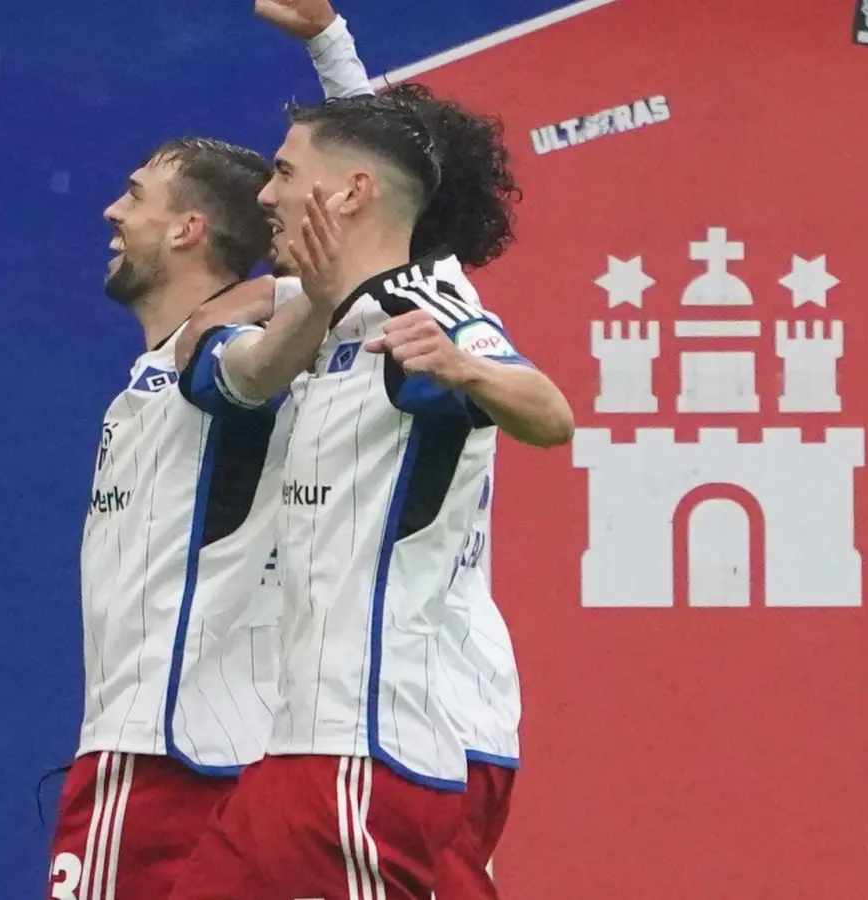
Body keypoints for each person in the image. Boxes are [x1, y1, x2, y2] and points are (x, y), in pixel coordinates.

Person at [168, 84, 570, 900]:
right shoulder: (337, 326)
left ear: (351, 194)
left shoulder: (425, 310)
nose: (266, 193)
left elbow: (551, 414)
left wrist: (468, 369)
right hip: (307, 743)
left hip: (368, 746)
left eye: (284, 172)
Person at [46, 136, 288, 900]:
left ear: (189, 230)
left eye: (137, 195)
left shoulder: (234, 355)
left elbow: (354, 287)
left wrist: (275, 290)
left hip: (158, 760)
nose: (112, 211)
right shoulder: (152, 378)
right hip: (211, 757)